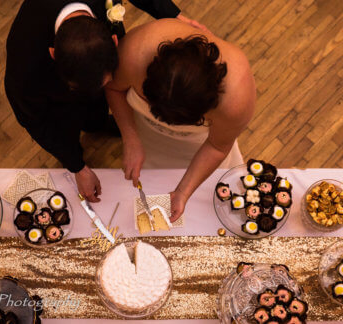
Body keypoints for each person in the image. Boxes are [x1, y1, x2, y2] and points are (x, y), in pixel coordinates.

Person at [5, 0, 204, 202]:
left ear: (114, 40)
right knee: (67, 129)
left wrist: (173, 16)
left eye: (107, 82)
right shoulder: (25, 65)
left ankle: (96, 123)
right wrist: (77, 167)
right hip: (58, 104)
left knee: (96, 111)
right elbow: (33, 119)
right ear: (53, 54)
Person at [105, 18, 256, 220]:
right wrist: (130, 138)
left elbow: (217, 146)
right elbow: (113, 88)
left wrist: (182, 193)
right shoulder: (134, 51)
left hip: (198, 144)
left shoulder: (237, 98)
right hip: (145, 130)